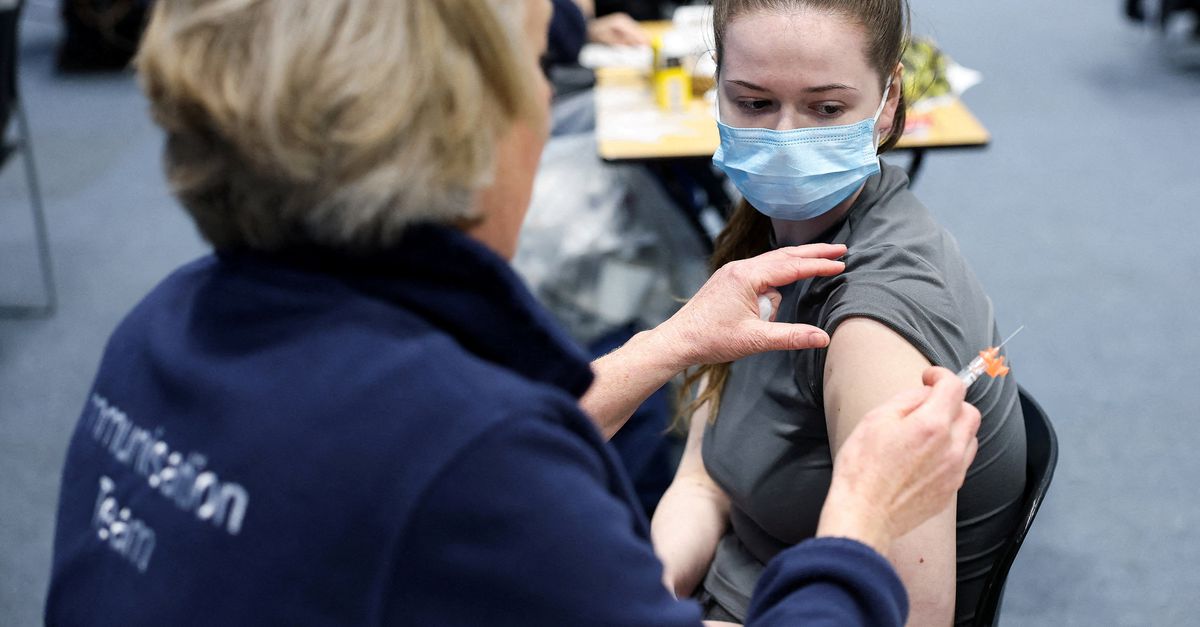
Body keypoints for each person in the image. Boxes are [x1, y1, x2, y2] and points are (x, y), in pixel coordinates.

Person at [44, 1, 979, 625]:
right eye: (535, 64)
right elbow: (450, 467)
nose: (544, 93)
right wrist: (857, 519)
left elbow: (378, 468)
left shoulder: (161, 332)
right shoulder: (473, 462)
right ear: (458, 125)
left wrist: (669, 344)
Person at [650, 1, 1028, 625]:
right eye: (752, 103)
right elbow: (704, 480)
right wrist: (645, 593)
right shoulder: (765, 243)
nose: (785, 139)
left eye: (826, 109)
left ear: (886, 102)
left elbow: (913, 619)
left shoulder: (871, 326)